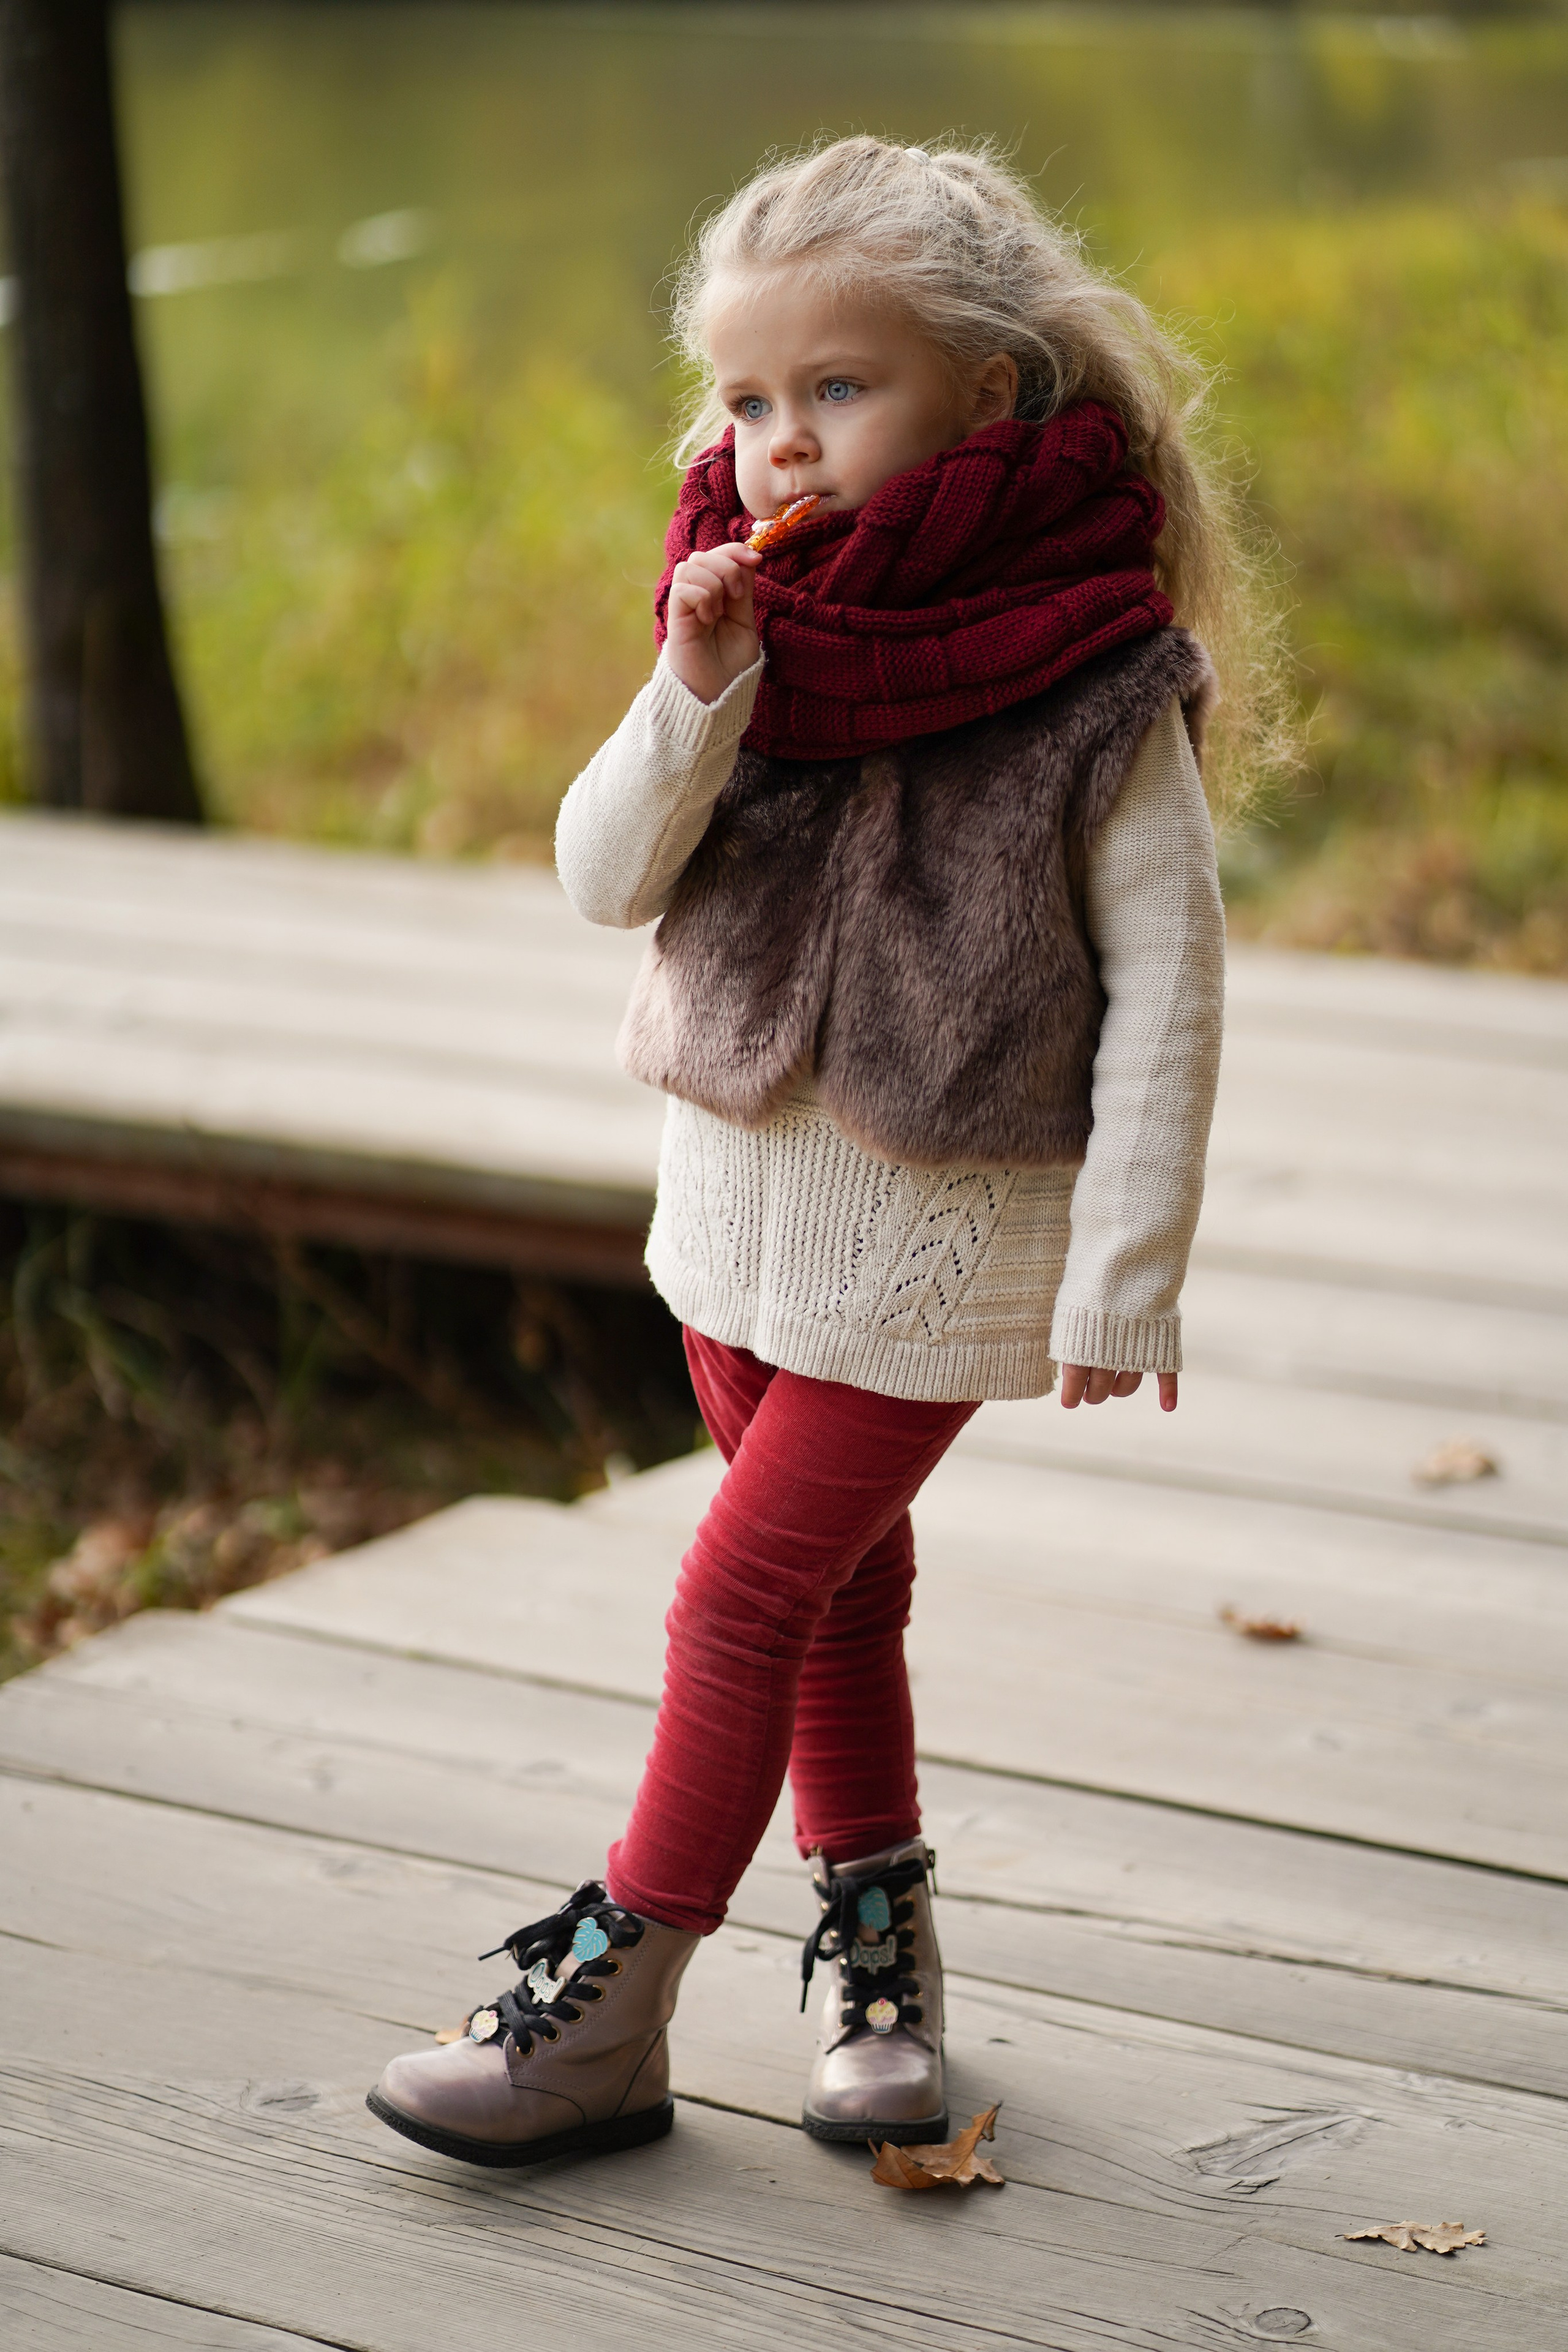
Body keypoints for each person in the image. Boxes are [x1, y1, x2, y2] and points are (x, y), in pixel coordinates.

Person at [368, 134, 1281, 2170]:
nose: (782, 443)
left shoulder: (1096, 668)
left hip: (937, 1234)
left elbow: (1176, 985)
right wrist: (695, 691)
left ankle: (609, 2005)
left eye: (839, 392)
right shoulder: (744, 616)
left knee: (738, 1589)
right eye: (752, 399)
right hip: (732, 1213)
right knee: (844, 1600)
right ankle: (884, 1971)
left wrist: (1126, 1266)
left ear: (991, 388)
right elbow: (608, 879)